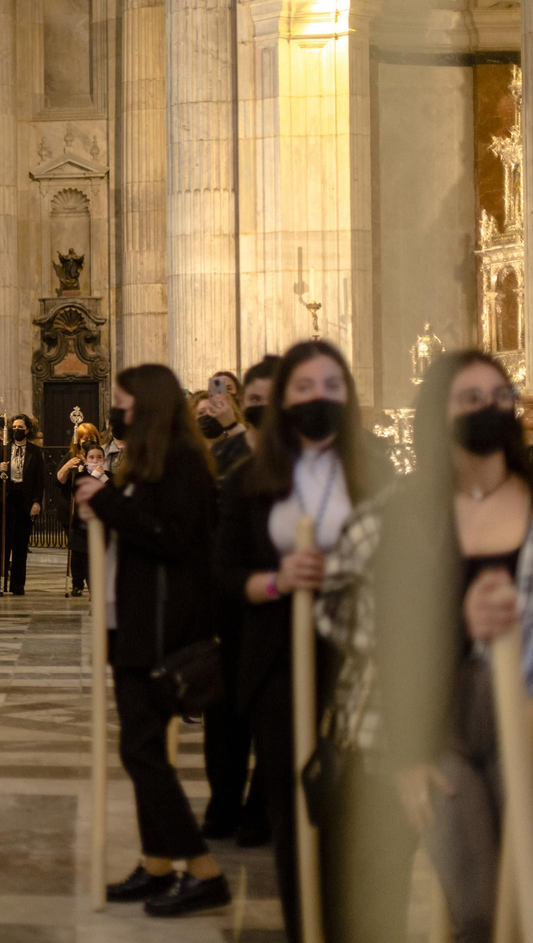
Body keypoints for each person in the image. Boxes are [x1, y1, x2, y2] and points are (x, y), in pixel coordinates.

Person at [214, 340, 386, 942]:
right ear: (285, 399)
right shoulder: (246, 482)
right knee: (294, 816)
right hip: (281, 662)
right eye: (305, 388)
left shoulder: (377, 470)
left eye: (332, 387)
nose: (319, 399)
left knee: (358, 817)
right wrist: (274, 580)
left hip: (362, 667)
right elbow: (223, 574)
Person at [361, 351, 531, 943]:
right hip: (445, 724)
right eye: (472, 398)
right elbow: (394, 634)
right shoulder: (412, 511)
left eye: (500, 396)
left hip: (529, 717)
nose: (491, 409)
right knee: (478, 905)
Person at [75, 364, 230, 917]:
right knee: (140, 748)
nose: (116, 412)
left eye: (123, 403)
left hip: (163, 627)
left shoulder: (184, 464)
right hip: (130, 620)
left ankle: (203, 869)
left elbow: (174, 540)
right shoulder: (142, 464)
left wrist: (108, 502)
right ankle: (159, 861)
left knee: (143, 751)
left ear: (149, 407)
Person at [200, 354, 278, 848]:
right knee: (223, 713)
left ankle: (260, 806)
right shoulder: (224, 455)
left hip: (282, 605)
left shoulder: (301, 458)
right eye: (254, 400)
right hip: (231, 600)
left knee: (272, 713)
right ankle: (223, 801)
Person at [0, 415, 44, 596]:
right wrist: (1, 470)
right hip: (6, 499)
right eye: (14, 426)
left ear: (27, 430)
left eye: (20, 426)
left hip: (25, 500)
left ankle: (18, 585)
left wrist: (36, 502)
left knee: (21, 544)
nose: (16, 429)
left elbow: (39, 480)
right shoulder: (1, 449)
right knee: (3, 544)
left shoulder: (35, 451)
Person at [58, 440, 107, 597]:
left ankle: (96, 589)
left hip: (100, 525)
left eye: (99, 457)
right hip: (81, 525)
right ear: (85, 460)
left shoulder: (109, 477)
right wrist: (93, 476)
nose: (95, 460)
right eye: (91, 457)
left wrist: (102, 477)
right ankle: (77, 584)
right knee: (79, 558)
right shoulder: (79, 477)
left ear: (104, 460)